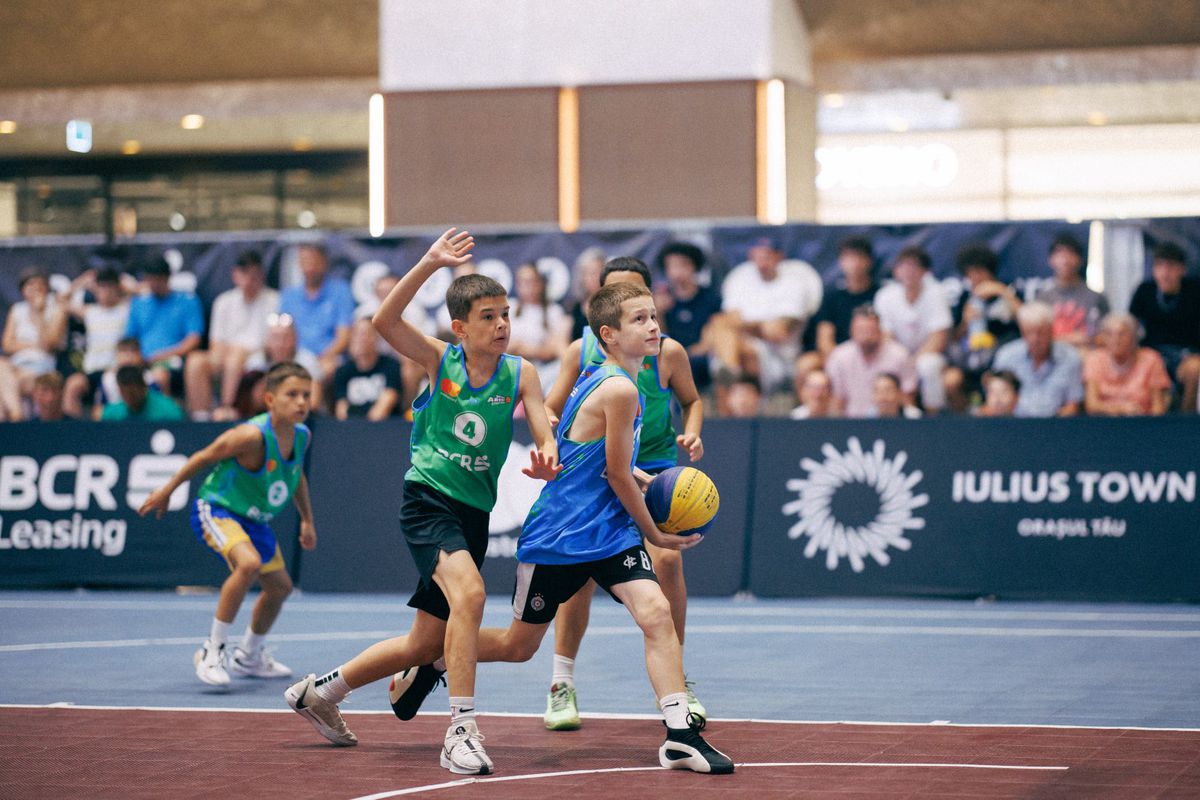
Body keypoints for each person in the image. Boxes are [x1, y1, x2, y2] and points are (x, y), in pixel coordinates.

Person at [390, 281, 734, 774]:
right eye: (641, 320)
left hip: (608, 534)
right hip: (560, 536)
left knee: (655, 612)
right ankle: (436, 660)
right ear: (609, 334)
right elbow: (615, 474)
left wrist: (648, 480)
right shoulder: (617, 388)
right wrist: (656, 533)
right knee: (517, 647)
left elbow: (602, 460)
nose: (654, 326)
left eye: (655, 316)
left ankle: (680, 734)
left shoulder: (611, 376)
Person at [284, 229, 560, 776]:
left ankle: (321, 691)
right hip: (428, 498)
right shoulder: (441, 360)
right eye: (487, 316)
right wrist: (430, 263)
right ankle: (460, 730)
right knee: (473, 594)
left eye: (505, 314)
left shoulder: (520, 372)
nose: (501, 324)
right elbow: (382, 323)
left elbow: (543, 425)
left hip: (473, 514)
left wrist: (548, 453)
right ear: (460, 328)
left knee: (421, 645)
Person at [536, 256, 706, 731]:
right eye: (622, 301)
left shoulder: (667, 353)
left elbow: (692, 400)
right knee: (580, 577)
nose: (640, 315)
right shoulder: (582, 354)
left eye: (644, 304)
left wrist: (691, 431)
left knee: (667, 562)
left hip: (652, 468)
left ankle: (678, 679)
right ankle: (561, 681)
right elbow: (548, 411)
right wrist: (555, 438)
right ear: (605, 316)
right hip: (600, 472)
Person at [138, 362, 317, 687]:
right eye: (292, 394)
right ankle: (212, 651)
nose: (302, 402)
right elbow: (203, 457)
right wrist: (166, 490)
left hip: (254, 520)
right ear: (269, 400)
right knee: (247, 564)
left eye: (306, 394)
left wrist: (307, 519)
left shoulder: (301, 436)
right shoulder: (249, 436)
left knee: (280, 588)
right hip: (218, 509)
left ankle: (248, 656)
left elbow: (296, 476)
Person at [710, 237, 823, 398]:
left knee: (741, 349)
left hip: (779, 357)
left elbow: (778, 332)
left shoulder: (795, 282)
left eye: (767, 257)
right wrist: (759, 326)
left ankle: (735, 385)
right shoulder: (740, 279)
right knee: (720, 338)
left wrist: (744, 324)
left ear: (779, 257)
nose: (762, 263)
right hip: (738, 348)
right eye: (757, 257)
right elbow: (727, 320)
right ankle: (731, 372)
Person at [185, 250, 279, 420]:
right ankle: (201, 417)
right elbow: (216, 343)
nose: (250, 280)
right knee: (195, 361)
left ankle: (226, 407)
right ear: (236, 275)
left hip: (259, 358)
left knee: (235, 357)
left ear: (262, 275)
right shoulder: (223, 302)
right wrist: (225, 355)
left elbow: (272, 342)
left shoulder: (274, 300)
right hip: (224, 355)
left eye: (255, 275)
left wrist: (239, 353)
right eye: (246, 274)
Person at [943, 243, 1021, 412]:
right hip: (971, 359)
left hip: (1002, 361)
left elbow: (1027, 320)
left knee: (999, 381)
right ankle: (968, 421)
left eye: (979, 271)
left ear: (990, 271)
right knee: (950, 380)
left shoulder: (1008, 291)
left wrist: (1002, 292)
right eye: (970, 273)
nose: (975, 277)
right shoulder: (964, 298)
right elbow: (954, 338)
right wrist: (965, 322)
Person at [873, 246, 951, 413]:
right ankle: (892, 414)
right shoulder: (885, 296)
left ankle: (933, 417)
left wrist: (913, 362)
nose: (909, 272)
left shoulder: (936, 293)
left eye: (914, 266)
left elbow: (939, 337)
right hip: (897, 355)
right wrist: (902, 360)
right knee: (884, 363)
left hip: (928, 355)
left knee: (927, 365)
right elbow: (886, 336)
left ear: (925, 272)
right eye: (903, 266)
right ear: (895, 271)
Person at [797, 236, 880, 385]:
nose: (854, 264)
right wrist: (841, 361)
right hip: (838, 355)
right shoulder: (832, 297)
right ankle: (808, 408)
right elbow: (824, 339)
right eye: (849, 258)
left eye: (859, 258)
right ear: (841, 262)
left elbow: (886, 334)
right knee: (806, 364)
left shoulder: (881, 296)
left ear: (869, 261)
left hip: (873, 354)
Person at [1128, 241, 1200, 412]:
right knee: (1149, 363)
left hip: (1188, 353)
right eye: (1159, 266)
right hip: (1152, 352)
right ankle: (1154, 421)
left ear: (1182, 269)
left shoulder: (1195, 291)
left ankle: (1185, 420)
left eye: (1171, 266)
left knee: (1194, 369)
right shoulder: (1145, 290)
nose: (1165, 273)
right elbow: (1131, 325)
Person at [125, 256, 204, 398]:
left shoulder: (187, 301)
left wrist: (159, 357)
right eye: (150, 279)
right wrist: (134, 358)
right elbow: (129, 339)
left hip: (175, 362)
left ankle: (164, 419)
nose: (153, 284)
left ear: (167, 278)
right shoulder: (138, 303)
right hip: (141, 362)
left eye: (157, 279)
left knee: (159, 376)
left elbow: (193, 339)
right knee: (115, 377)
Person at [279, 243, 355, 386]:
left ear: (324, 262)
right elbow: (282, 334)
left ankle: (312, 408)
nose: (310, 267)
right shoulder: (289, 296)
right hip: (295, 357)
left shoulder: (340, 291)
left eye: (314, 261)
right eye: (305, 261)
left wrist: (318, 360)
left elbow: (344, 337)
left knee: (323, 370)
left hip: (329, 357)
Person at [61, 267, 132, 419]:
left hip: (116, 370)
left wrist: (125, 283)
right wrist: (82, 281)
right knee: (73, 385)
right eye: (102, 286)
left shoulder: (127, 309)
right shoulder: (90, 312)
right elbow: (60, 301)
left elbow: (145, 292)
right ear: (95, 289)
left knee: (110, 387)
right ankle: (72, 433)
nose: (106, 291)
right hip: (92, 370)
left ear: (117, 288)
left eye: (110, 286)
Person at [991, 302, 1083, 417]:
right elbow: (993, 402)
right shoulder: (1006, 357)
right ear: (1022, 332)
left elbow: (1073, 405)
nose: (1035, 339)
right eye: (1029, 332)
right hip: (1013, 426)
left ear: (1051, 331)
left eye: (1040, 332)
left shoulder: (1070, 357)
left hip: (1054, 427)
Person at [824, 305, 917, 418]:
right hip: (851, 423)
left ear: (880, 330)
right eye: (860, 330)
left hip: (891, 423)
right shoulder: (839, 356)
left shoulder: (899, 355)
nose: (865, 336)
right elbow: (836, 400)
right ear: (851, 331)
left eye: (870, 330)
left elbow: (907, 398)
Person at [656, 242, 721, 389]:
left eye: (682, 266)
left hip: (702, 355)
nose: (677, 272)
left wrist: (693, 351)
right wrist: (658, 313)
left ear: (694, 267)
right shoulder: (660, 299)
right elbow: (657, 339)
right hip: (669, 356)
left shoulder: (710, 297)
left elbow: (716, 327)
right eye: (672, 267)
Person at [1083, 312, 1171, 416]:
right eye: (1109, 334)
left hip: (1143, 424)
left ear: (1134, 337)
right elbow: (1092, 405)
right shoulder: (1095, 359)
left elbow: (1158, 407)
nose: (1116, 339)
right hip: (1104, 424)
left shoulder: (1151, 359)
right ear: (1103, 338)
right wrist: (1121, 409)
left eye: (1122, 334)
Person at [3, 268, 67, 408]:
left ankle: (15, 417)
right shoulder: (17, 309)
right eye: (30, 284)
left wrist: (39, 314)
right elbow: (7, 345)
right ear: (23, 290)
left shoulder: (57, 310)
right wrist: (33, 345)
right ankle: (14, 416)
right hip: (15, 365)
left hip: (41, 366)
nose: (35, 288)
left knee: (7, 385)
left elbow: (48, 345)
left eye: (40, 284)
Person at [1035, 233, 1108, 350]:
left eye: (1071, 253)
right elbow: (1034, 337)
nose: (1065, 259)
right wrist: (1070, 339)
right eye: (1060, 253)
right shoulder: (1042, 298)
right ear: (1050, 260)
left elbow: (1106, 336)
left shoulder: (1096, 297)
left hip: (1087, 357)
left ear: (1080, 260)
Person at [507, 261, 571, 392]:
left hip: (542, 371)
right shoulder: (508, 307)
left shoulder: (554, 311)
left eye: (531, 282)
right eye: (522, 282)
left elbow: (554, 349)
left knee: (564, 366)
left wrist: (524, 348)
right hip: (509, 368)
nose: (528, 287)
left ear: (541, 283)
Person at [333, 318, 402, 420]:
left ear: (376, 337)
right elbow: (341, 410)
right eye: (356, 334)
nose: (361, 339)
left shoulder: (390, 365)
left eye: (365, 333)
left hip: (385, 426)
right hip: (352, 428)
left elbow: (387, 401)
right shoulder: (343, 371)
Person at [99, 365, 185, 421]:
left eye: (133, 393)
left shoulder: (169, 410)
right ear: (119, 390)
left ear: (143, 387)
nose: (130, 397)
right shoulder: (111, 414)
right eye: (125, 393)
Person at [568, 247, 606, 340]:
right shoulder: (574, 308)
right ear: (582, 277)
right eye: (592, 273)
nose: (596, 277)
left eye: (599, 272)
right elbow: (561, 341)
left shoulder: (615, 306)